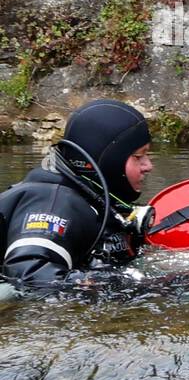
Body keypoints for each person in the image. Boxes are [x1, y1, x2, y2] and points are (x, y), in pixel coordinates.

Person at [1, 99, 154, 285]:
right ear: (108, 161)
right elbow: (27, 274)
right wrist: (116, 286)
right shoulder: (52, 203)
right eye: (138, 156)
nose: (148, 166)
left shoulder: (95, 200)